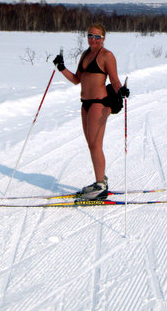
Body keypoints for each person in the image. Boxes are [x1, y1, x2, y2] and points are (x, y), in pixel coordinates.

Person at [53, 24, 129, 200]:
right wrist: (61, 67)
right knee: (91, 145)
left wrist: (121, 90)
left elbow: (115, 80)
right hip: (85, 103)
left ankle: (100, 185)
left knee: (95, 144)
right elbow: (77, 80)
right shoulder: (85, 55)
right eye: (90, 36)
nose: (93, 39)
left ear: (103, 38)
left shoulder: (106, 56)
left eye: (97, 37)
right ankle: (100, 180)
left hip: (99, 103)